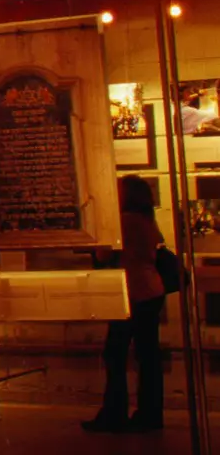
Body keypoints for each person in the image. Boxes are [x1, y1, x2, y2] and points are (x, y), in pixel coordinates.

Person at [85, 174, 169, 433]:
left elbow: (103, 253)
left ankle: (114, 413)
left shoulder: (122, 221)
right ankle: (150, 414)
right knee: (148, 356)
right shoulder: (147, 220)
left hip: (129, 294)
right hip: (152, 290)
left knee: (115, 354)